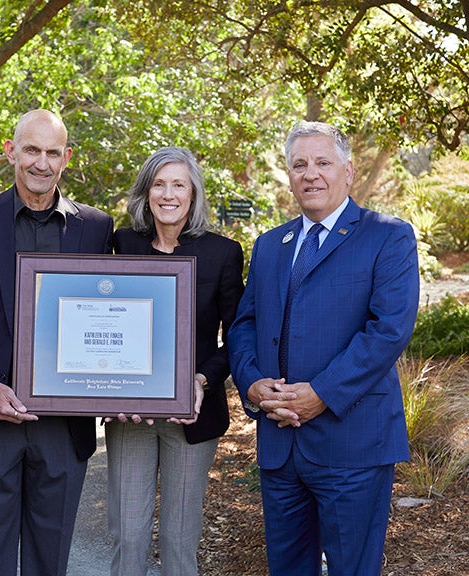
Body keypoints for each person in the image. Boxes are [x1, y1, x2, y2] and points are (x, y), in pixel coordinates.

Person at [228, 121, 419, 576]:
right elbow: (244, 325)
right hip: (280, 446)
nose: (310, 174)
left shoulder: (388, 236)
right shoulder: (271, 245)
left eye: (322, 163)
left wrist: (321, 394)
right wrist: (253, 384)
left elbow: (388, 330)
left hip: (352, 442)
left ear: (348, 172)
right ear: (290, 175)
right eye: (299, 165)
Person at [0, 109, 113, 576]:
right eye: (31, 150)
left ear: (67, 158)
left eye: (52, 152)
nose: (41, 162)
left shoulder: (96, 227)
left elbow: (111, 313)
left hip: (64, 424)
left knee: (48, 561)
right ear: (10, 151)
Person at [106, 147, 245, 576]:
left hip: (193, 415)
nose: (168, 194)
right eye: (159, 184)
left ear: (193, 193)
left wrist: (203, 379)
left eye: (178, 185)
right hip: (131, 413)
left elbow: (238, 335)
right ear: (146, 192)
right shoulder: (121, 244)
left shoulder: (223, 253)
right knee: (128, 536)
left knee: (179, 540)